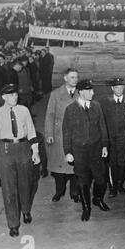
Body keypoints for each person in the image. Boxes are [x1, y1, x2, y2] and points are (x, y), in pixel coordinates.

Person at [0, 84, 40, 237]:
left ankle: (25, 209)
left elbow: (31, 131)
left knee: (26, 184)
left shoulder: (24, 110)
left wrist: (35, 151)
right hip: (5, 150)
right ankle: (13, 224)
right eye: (11, 95)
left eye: (16, 94)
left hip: (23, 148)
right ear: (4, 97)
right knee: (8, 189)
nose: (15, 97)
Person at [62, 79, 110, 221]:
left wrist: (104, 145)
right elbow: (66, 133)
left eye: (92, 90)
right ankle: (86, 208)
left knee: (101, 178)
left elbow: (102, 127)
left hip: (96, 149)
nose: (92, 93)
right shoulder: (70, 109)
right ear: (81, 92)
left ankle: (97, 199)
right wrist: (68, 152)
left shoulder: (97, 106)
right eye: (89, 90)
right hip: (79, 151)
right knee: (83, 180)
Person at [44, 68, 80, 203]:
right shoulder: (55, 94)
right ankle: (59, 191)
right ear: (65, 78)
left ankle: (74, 192)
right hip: (59, 135)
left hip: (76, 135)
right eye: (72, 77)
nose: (74, 80)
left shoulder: (81, 93)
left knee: (75, 165)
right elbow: (50, 115)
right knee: (59, 166)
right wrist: (49, 133)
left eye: (76, 77)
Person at [100, 77, 125, 198]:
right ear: (112, 88)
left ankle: (120, 184)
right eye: (116, 87)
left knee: (123, 162)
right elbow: (101, 121)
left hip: (124, 138)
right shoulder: (105, 102)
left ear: (124, 88)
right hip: (110, 138)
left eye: (121, 87)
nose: (119, 90)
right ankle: (112, 187)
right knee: (112, 163)